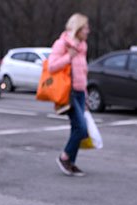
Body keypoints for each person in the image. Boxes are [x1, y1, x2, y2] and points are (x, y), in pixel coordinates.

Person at [48, 13, 90, 177]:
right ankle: (64, 157)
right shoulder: (62, 44)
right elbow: (51, 67)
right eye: (85, 28)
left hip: (80, 92)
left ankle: (71, 163)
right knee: (81, 128)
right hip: (68, 92)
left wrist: (85, 94)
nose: (88, 31)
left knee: (76, 128)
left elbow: (83, 72)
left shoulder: (82, 47)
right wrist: (68, 57)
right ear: (77, 29)